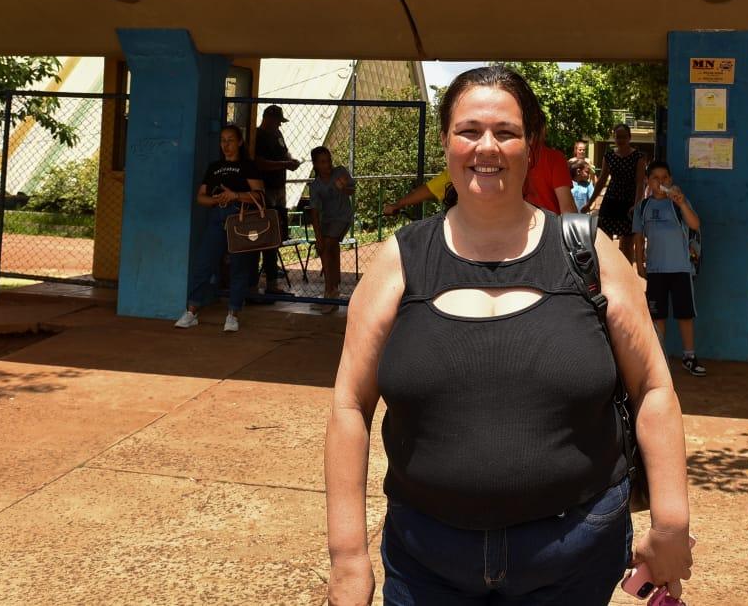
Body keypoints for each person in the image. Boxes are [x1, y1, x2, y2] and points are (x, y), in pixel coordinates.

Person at [325, 66, 693, 606]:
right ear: (447, 142)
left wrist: (671, 523)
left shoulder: (590, 254)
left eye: (506, 131)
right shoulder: (401, 260)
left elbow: (654, 390)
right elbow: (348, 406)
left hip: (575, 554)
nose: (486, 147)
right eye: (469, 130)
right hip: (428, 558)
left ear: (532, 147)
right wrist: (347, 557)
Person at [175, 125, 264, 333]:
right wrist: (215, 199)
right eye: (223, 140)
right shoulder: (214, 167)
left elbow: (260, 196)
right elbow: (200, 197)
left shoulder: (248, 166)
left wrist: (235, 196)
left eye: (230, 140)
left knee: (238, 268)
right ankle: (192, 311)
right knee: (203, 265)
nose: (226, 145)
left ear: (240, 142)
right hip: (217, 218)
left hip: (239, 220)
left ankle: (233, 315)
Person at [633, 161, 707, 377]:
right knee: (658, 317)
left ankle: (689, 356)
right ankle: (660, 359)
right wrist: (639, 265)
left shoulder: (677, 203)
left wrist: (683, 203)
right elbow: (638, 238)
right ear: (648, 181)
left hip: (681, 269)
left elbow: (695, 224)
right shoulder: (643, 207)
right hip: (655, 271)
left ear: (671, 179)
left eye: (665, 177)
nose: (660, 181)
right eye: (655, 177)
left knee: (685, 315)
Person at [254, 104, 299, 296]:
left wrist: (291, 161)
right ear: (268, 119)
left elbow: (284, 153)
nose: (279, 126)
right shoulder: (258, 136)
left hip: (279, 188)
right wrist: (284, 164)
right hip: (265, 189)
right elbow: (259, 163)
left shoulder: (277, 135)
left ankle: (270, 273)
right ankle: (267, 278)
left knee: (278, 232)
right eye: (277, 122)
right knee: (266, 233)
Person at [308, 146, 355, 305]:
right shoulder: (315, 186)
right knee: (326, 248)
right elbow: (314, 212)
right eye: (322, 162)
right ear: (315, 165)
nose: (327, 165)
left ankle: (329, 290)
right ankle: (334, 285)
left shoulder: (340, 172)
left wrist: (345, 188)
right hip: (327, 220)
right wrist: (318, 237)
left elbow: (352, 190)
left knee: (327, 245)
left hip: (342, 217)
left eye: (328, 161)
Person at [589, 123, 646, 248]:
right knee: (604, 241)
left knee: (627, 244)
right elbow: (602, 181)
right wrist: (590, 202)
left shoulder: (639, 157)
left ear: (629, 138)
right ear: (614, 138)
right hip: (610, 201)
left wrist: (636, 205)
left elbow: (640, 183)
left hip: (629, 203)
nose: (620, 140)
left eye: (623, 137)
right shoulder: (609, 156)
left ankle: (626, 267)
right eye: (617, 137)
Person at [524, 122, 577, 214]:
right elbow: (568, 209)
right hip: (548, 224)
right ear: (543, 130)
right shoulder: (555, 158)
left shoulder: (508, 158)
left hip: (514, 224)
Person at [382, 169, 453, 217]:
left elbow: (426, 191)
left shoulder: (455, 173)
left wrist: (397, 205)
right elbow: (428, 190)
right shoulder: (453, 174)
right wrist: (397, 205)